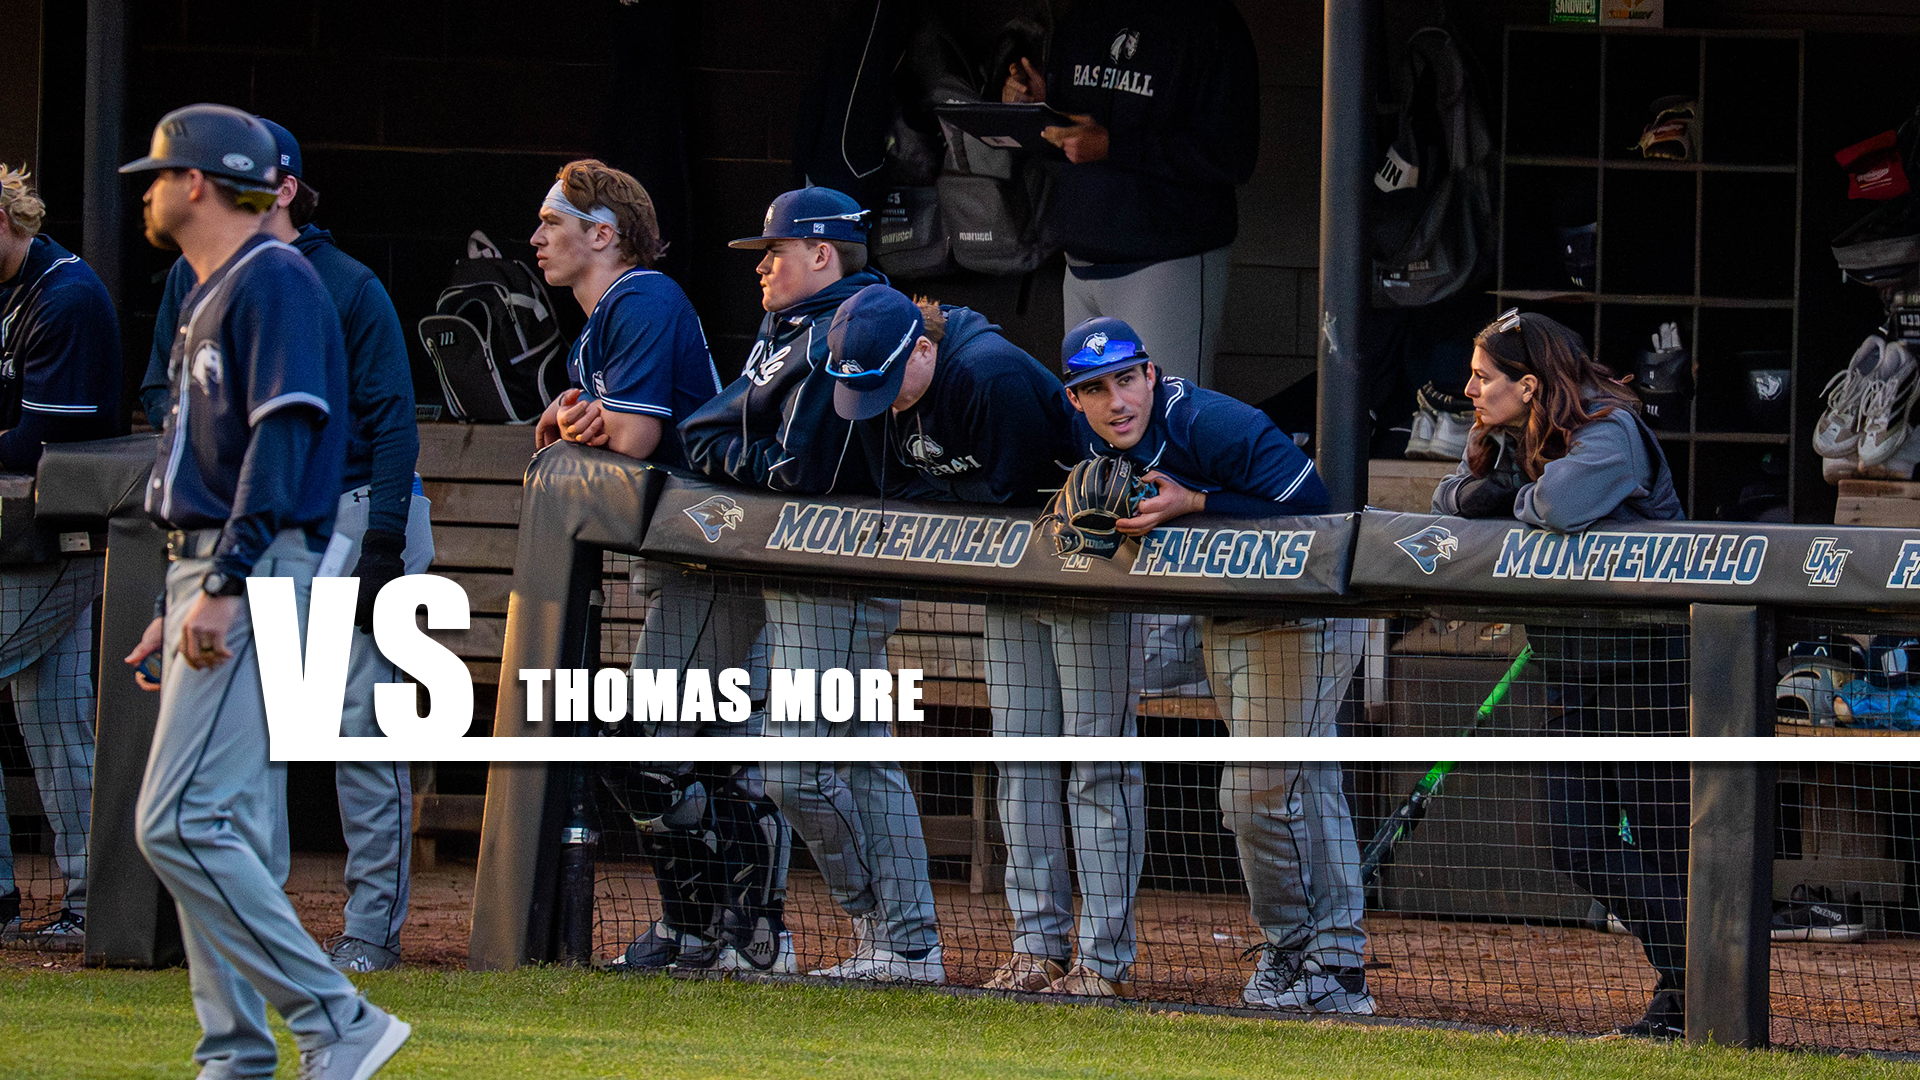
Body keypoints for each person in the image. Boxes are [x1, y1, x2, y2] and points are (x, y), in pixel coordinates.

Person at [118, 104, 410, 1080]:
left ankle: (338, 1019)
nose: (150, 192)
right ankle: (236, 1054)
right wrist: (183, 591)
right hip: (214, 566)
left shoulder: (274, 276)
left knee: (176, 823)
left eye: (158, 176)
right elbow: (204, 447)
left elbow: (282, 443)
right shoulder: (207, 285)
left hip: (253, 565)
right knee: (222, 823)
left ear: (198, 182)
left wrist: (225, 582)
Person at [823, 283, 1142, 996]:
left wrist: (933, 502)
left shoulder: (987, 374)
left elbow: (1007, 493)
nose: (888, 407)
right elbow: (894, 487)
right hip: (1008, 585)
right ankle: (1036, 946)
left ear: (924, 349)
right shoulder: (889, 386)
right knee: (1020, 762)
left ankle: (1101, 961)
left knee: (1097, 765)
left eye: (890, 387)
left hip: (1081, 573)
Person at [1060, 316, 1374, 1014]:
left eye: (1125, 380)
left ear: (1149, 374)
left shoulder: (1212, 423)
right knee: (1301, 785)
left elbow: (1314, 509)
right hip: (1217, 617)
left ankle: (1299, 950)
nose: (1116, 402)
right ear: (1074, 399)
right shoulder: (1089, 437)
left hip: (1301, 616)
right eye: (1094, 389)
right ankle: (1332, 966)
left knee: (1255, 794)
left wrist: (1196, 502)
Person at [526, 158, 787, 975]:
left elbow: (632, 440)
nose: (536, 238)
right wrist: (573, 417)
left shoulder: (640, 296)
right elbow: (571, 423)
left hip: (715, 553)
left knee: (641, 748)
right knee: (666, 754)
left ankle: (738, 928)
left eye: (551, 222)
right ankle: (703, 928)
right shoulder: (601, 322)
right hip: (682, 559)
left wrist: (580, 424)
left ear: (602, 235)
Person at [681, 187, 943, 983]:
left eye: (775, 252)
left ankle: (896, 934)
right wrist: (738, 457)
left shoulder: (853, 322)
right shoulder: (784, 329)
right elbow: (703, 429)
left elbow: (800, 470)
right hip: (793, 569)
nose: (761, 267)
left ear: (821, 254)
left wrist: (735, 460)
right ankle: (902, 942)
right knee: (850, 757)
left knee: (803, 765)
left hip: (839, 568)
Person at [1432, 308, 1688, 1039]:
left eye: (1484, 378)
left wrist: (1499, 503)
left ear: (1531, 383)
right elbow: (1444, 501)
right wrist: (1480, 494)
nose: (1470, 390)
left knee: (1666, 845)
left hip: (1648, 663)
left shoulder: (1612, 428)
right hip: (1570, 665)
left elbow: (1559, 504)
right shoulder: (1506, 433)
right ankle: (1696, 969)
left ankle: (1689, 993)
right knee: (1574, 842)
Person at [1001, 1, 1258, 390]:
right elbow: (1070, 134)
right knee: (1094, 428)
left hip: (1166, 259)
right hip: (1080, 256)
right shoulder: (1082, 18)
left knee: (1166, 421)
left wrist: (1114, 146)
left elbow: (1232, 155)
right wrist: (1036, 107)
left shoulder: (1211, 23)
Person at [0, 164, 119, 951]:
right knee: (56, 719)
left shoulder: (66, 295)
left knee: (60, 719)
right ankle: (84, 904)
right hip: (15, 542)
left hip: (62, 540)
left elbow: (38, 444)